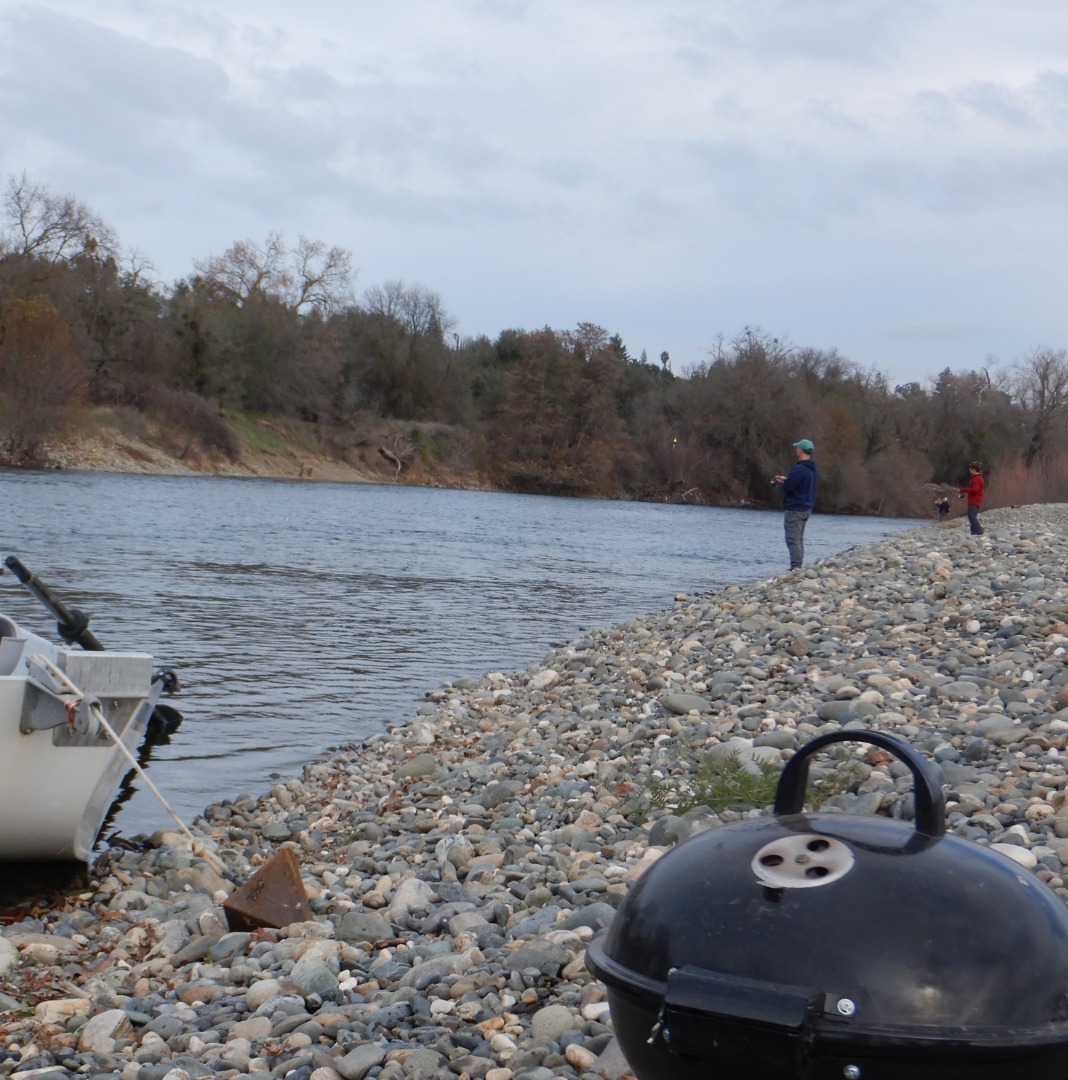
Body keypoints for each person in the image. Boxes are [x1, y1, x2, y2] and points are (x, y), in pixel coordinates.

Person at [773, 438, 819, 570]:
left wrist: (783, 483)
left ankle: (795, 568)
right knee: (798, 540)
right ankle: (797, 567)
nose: (796, 449)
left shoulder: (800, 468)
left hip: (795, 508)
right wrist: (787, 480)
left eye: (797, 447)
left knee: (792, 540)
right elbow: (801, 485)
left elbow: (788, 488)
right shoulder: (812, 468)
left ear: (801, 450)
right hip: (806, 508)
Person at [958, 461, 985, 535]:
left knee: (971, 515)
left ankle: (979, 531)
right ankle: (974, 532)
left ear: (974, 469)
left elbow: (974, 490)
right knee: (972, 515)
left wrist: (962, 490)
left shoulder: (977, 479)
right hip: (975, 500)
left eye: (970, 470)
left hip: (975, 500)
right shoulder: (977, 478)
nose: (969, 471)